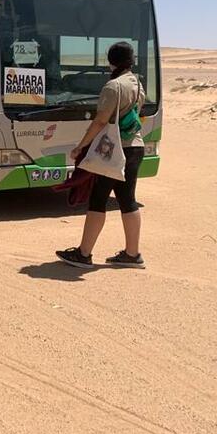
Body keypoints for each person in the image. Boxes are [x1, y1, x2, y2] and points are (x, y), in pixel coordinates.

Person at [56, 41, 147, 269]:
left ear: (111, 61)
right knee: (127, 199)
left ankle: (84, 253)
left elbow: (100, 122)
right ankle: (132, 254)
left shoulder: (113, 86)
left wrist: (81, 146)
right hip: (135, 147)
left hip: (113, 150)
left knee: (98, 198)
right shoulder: (137, 83)